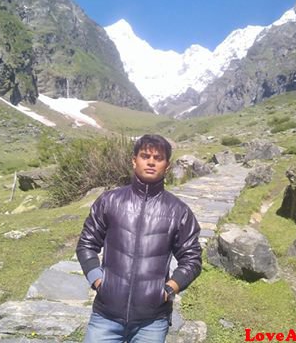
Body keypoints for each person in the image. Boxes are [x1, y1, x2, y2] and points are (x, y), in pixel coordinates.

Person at [76, 134, 202, 343]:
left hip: (152, 322)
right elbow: (86, 244)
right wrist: (97, 280)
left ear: (167, 166)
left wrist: (170, 288)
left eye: (158, 158)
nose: (151, 161)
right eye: (145, 156)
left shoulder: (179, 211)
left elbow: (193, 258)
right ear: (134, 160)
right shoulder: (110, 201)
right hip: (105, 316)